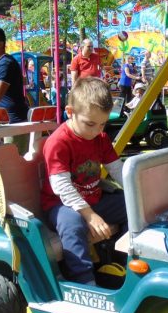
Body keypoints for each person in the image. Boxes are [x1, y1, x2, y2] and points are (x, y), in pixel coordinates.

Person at [40, 78, 127, 285]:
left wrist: (139, 193)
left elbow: (118, 170)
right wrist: (90, 216)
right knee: (73, 223)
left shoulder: (100, 138)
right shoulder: (58, 142)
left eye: (103, 124)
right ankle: (84, 281)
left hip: (93, 198)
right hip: (61, 205)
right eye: (90, 124)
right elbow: (62, 187)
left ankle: (124, 262)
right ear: (70, 112)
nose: (97, 130)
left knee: (132, 206)